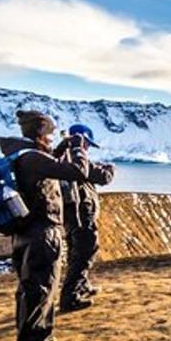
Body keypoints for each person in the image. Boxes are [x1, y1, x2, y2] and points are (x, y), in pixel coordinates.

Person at [0, 110, 90, 341]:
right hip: (42, 232)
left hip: (25, 232)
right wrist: (79, 149)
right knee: (41, 289)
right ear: (39, 131)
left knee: (30, 289)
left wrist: (62, 147)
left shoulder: (22, 156)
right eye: (49, 133)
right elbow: (77, 172)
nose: (51, 138)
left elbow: (49, 162)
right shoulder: (33, 159)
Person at [58, 123, 114, 312]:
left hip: (71, 214)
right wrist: (110, 169)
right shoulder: (77, 159)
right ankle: (70, 297)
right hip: (81, 214)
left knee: (76, 251)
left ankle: (82, 286)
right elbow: (103, 177)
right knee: (85, 252)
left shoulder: (61, 158)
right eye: (86, 143)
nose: (87, 147)